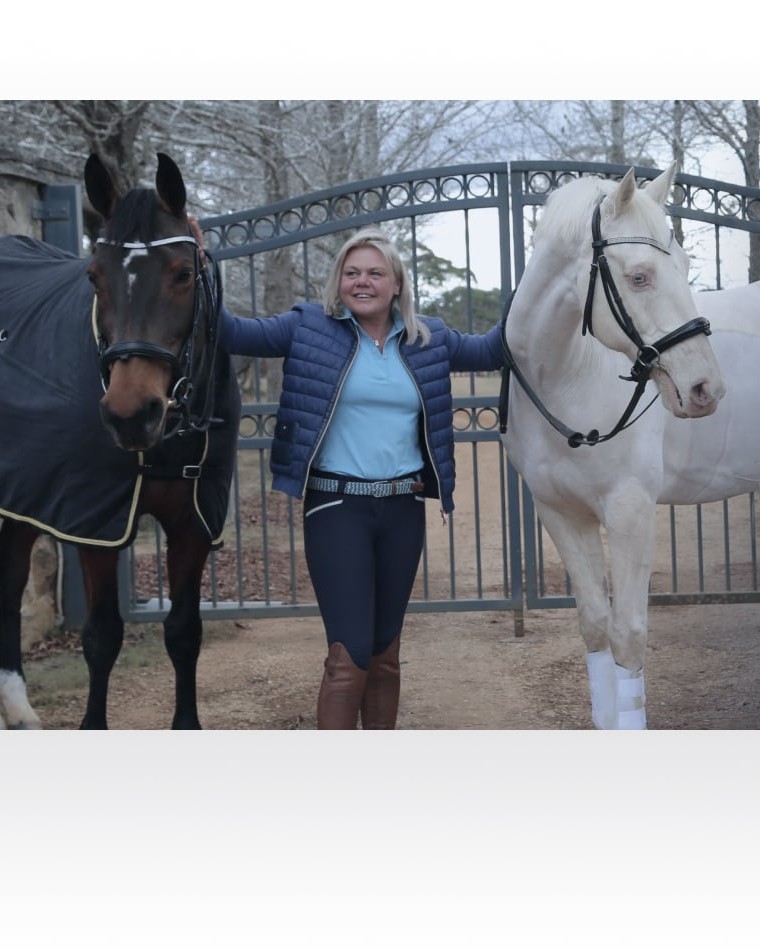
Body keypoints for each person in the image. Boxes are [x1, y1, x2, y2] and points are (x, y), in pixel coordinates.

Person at [194, 222, 505, 729]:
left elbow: (495, 350)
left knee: (385, 654)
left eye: (375, 273)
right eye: (351, 272)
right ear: (338, 281)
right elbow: (230, 331)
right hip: (336, 507)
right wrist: (202, 268)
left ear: (397, 283)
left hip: (403, 509)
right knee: (349, 656)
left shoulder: (430, 338)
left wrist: (543, 272)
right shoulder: (308, 327)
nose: (363, 282)